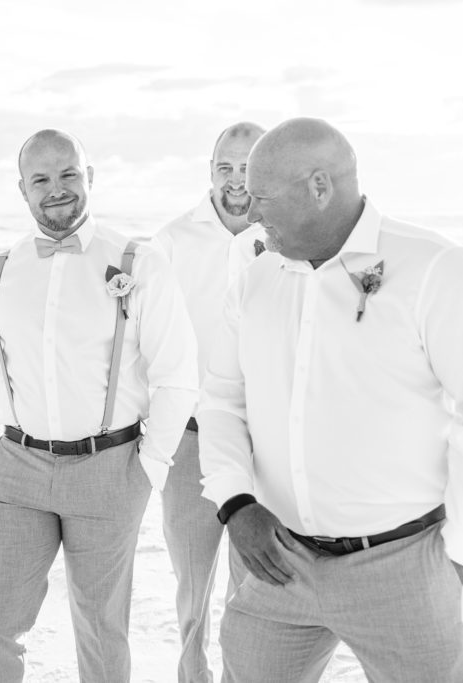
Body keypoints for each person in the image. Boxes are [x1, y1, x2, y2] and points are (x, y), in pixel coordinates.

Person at [199, 117, 463, 682]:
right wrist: (235, 502)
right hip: (278, 562)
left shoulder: (436, 269)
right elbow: (223, 400)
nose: (250, 214)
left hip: (404, 565)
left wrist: (459, 558)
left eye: (262, 198)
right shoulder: (254, 279)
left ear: (319, 187)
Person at [0, 129, 199, 683]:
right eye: (40, 179)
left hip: (111, 469)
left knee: (100, 628)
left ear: (90, 177)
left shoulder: (139, 263)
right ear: (22, 190)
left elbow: (177, 376)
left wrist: (149, 468)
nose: (56, 189)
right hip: (14, 471)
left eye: (68, 174)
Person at [154, 122, 266, 683]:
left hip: (264, 444)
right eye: (225, 167)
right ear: (210, 172)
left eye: (248, 166)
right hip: (191, 440)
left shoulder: (292, 235)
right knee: (192, 584)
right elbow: (146, 345)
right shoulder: (171, 242)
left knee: (254, 585)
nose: (236, 180)